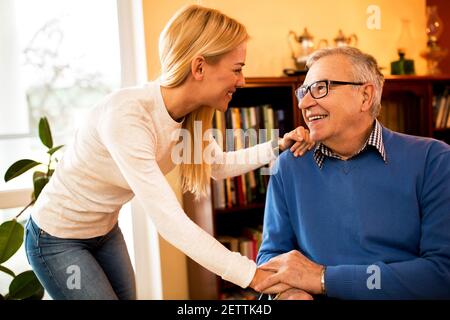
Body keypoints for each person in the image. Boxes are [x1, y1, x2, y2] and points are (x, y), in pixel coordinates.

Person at [24, 4, 313, 300]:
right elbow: (169, 221)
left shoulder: (189, 117)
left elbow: (217, 166)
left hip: (105, 231)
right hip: (56, 238)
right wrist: (251, 274)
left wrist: (276, 147)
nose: (242, 81)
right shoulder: (128, 116)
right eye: (237, 70)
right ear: (199, 67)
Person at [254, 46, 450, 300]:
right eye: (303, 91)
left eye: (320, 88)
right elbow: (271, 259)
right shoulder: (288, 167)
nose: (304, 103)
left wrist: (324, 278)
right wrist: (290, 293)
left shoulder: (433, 159)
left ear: (365, 96)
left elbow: (440, 274)